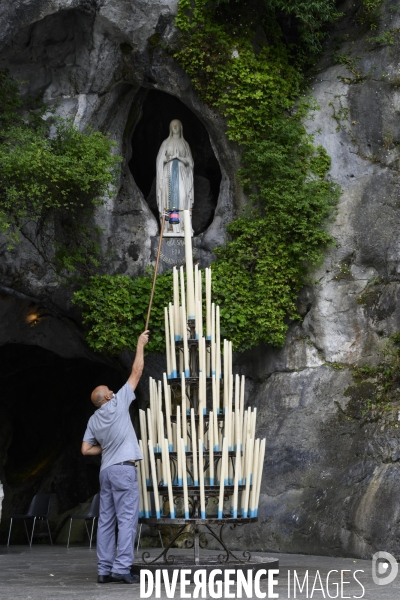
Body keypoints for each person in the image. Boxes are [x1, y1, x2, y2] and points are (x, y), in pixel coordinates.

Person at [81, 330, 149, 584]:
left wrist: (106, 448)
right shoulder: (117, 403)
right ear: (108, 397)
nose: (112, 390)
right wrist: (140, 344)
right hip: (123, 469)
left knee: (107, 521)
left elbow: (85, 450)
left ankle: (104, 570)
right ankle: (121, 568)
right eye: (110, 389)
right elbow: (137, 372)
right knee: (127, 518)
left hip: (105, 472)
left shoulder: (93, 419)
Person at [156, 119, 194, 236]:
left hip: (182, 174)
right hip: (168, 175)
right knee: (168, 199)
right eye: (173, 125)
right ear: (170, 128)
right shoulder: (166, 143)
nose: (175, 127)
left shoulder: (185, 144)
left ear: (181, 127)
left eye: (177, 125)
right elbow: (159, 160)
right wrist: (170, 158)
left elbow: (190, 162)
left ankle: (183, 226)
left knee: (182, 197)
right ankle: (169, 227)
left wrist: (179, 157)